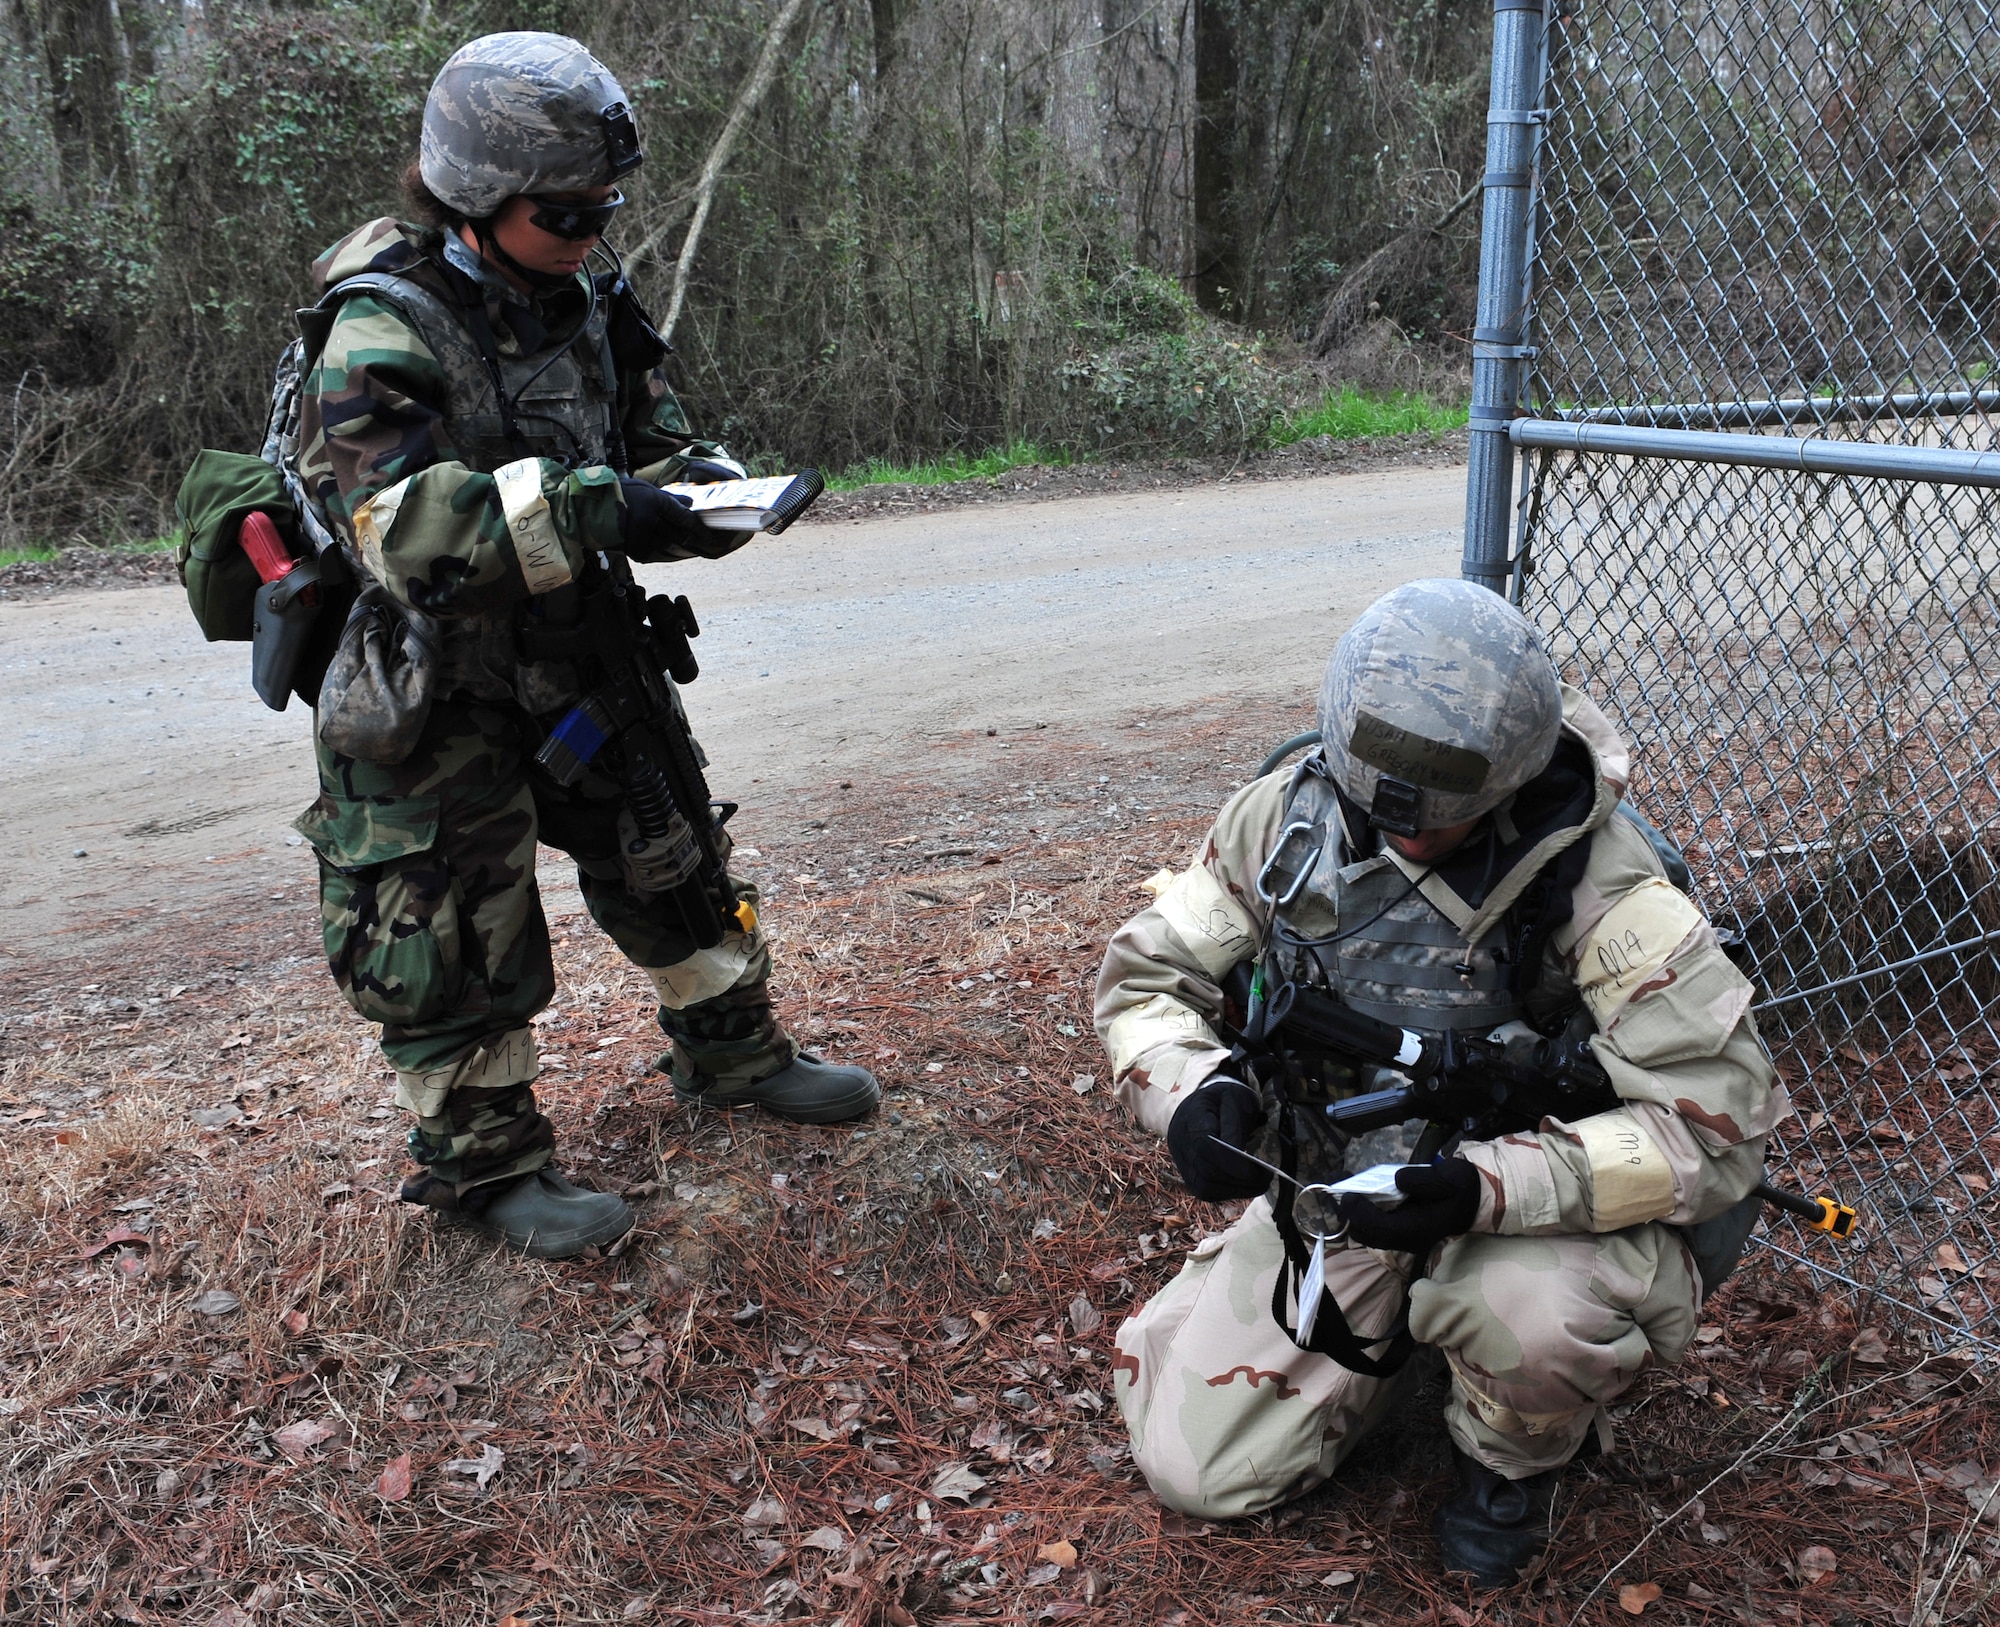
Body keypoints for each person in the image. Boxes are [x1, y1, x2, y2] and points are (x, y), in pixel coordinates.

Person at [290, 32, 878, 1260]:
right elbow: (403, 529)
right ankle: (487, 1165)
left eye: (603, 209)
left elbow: (648, 438)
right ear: (473, 195)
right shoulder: (378, 324)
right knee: (449, 924)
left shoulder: (585, 296)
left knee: (670, 848)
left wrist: (702, 494)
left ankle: (734, 1054)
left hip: (577, 645)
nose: (587, 234)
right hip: (429, 677)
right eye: (563, 214)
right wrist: (606, 509)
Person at [1093, 578, 1782, 1582]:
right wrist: (1190, 1092)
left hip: (1536, 1213)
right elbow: (1146, 979)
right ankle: (1396, 1336)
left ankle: (1510, 1463)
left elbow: (1715, 1129)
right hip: (1353, 1190)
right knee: (1198, 1471)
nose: (1407, 839)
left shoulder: (1600, 884)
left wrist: (1479, 1190)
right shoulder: (1283, 824)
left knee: (1534, 1318)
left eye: (1438, 822)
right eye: (1384, 812)